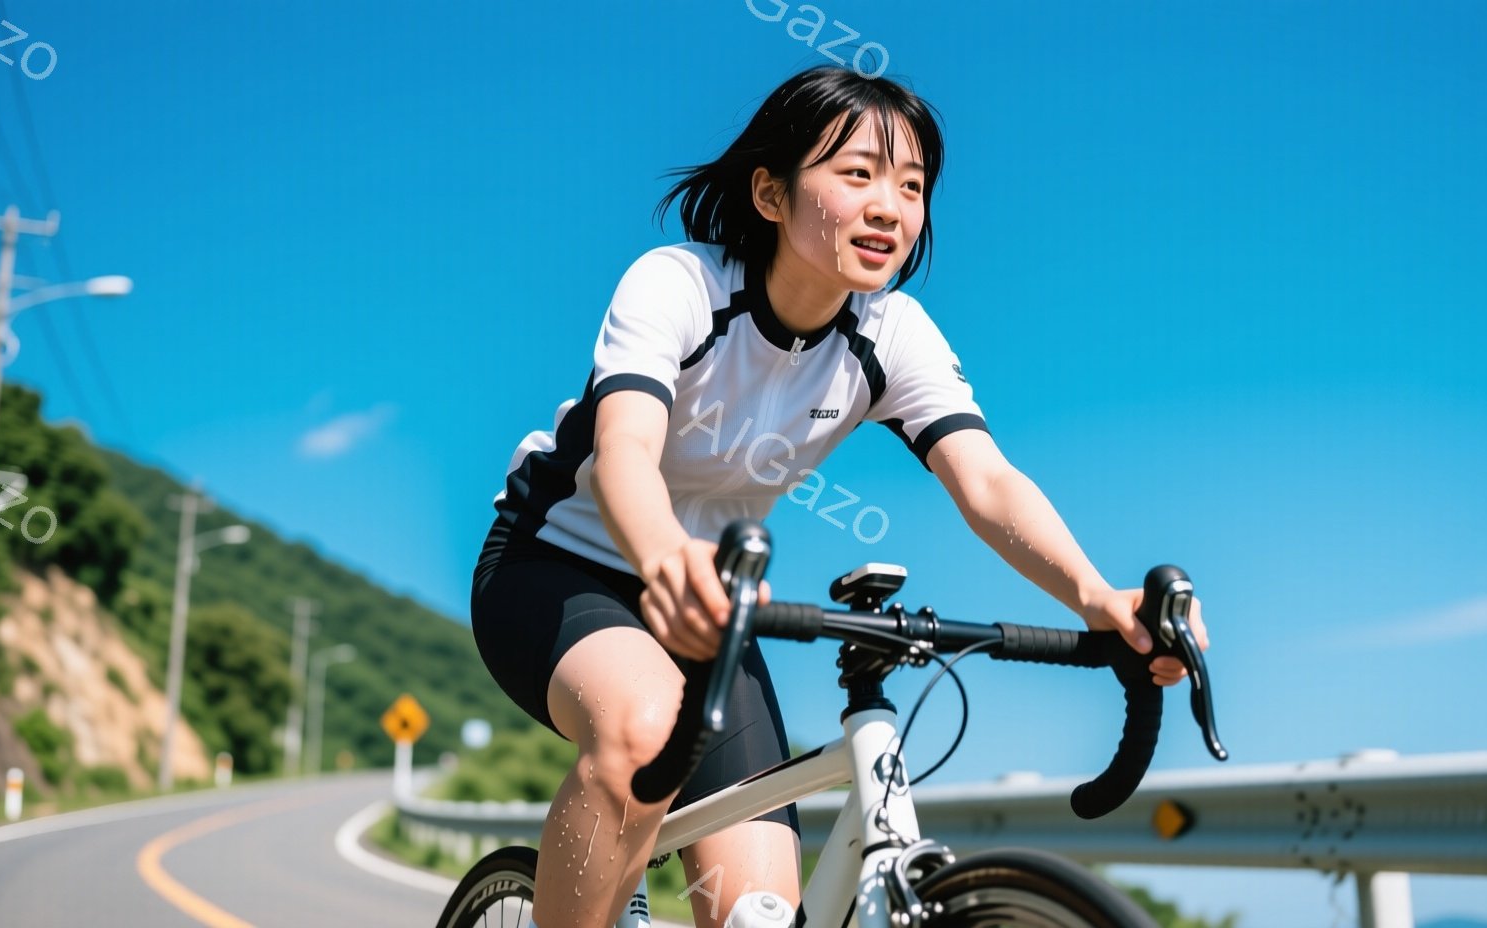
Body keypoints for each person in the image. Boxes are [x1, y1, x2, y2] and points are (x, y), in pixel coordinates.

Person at [470, 64, 1210, 928]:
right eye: (857, 174)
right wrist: (666, 556)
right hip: (557, 563)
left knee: (757, 911)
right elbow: (626, 442)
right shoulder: (679, 283)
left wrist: (1100, 598)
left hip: (715, 602)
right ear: (770, 193)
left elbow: (988, 481)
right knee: (641, 727)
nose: (891, 206)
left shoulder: (890, 334)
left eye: (913, 185)